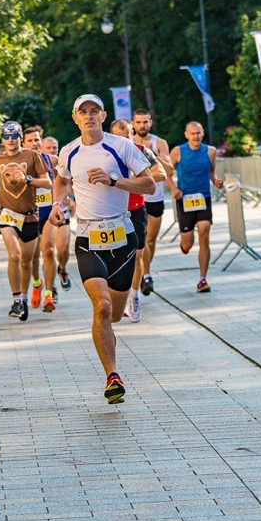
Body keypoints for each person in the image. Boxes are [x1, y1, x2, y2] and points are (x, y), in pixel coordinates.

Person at [49, 94, 155, 404]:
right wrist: (57, 203)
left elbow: (149, 185)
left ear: (103, 115)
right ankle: (113, 376)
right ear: (75, 118)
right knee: (103, 307)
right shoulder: (69, 151)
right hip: (87, 238)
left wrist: (114, 180)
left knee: (116, 314)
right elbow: (61, 181)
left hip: (122, 237)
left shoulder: (122, 146)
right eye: (83, 111)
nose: (89, 116)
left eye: (94, 110)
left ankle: (110, 348)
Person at [0, 121, 52, 321]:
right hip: (7, 213)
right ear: (2, 139)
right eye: (6, 136)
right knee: (15, 255)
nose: (10, 140)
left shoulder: (33, 156)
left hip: (29, 215)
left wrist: (28, 179)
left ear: (20, 137)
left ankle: (24, 298)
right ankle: (16, 299)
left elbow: (47, 182)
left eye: (14, 136)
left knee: (27, 262)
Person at [111, 118, 162, 322]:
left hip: (136, 209)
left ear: (132, 134)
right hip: (112, 210)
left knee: (137, 255)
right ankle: (117, 297)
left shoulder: (141, 150)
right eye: (120, 137)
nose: (125, 141)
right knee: (114, 257)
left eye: (128, 136)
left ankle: (134, 296)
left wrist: (133, 181)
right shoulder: (104, 152)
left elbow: (161, 173)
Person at [168, 121, 224, 293]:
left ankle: (202, 279)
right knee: (188, 243)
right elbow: (166, 173)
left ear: (202, 133)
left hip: (203, 198)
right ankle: (184, 245)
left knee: (204, 233)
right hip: (184, 200)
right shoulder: (178, 151)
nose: (196, 136)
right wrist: (174, 189)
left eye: (198, 133)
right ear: (186, 135)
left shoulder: (210, 151)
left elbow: (212, 171)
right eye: (192, 133)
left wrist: (215, 181)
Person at [131, 109, 173, 296]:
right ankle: (145, 275)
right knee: (140, 241)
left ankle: (143, 271)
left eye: (145, 122)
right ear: (133, 124)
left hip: (155, 198)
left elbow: (169, 171)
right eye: (139, 122)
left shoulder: (159, 143)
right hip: (136, 200)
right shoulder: (127, 144)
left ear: (151, 123)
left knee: (150, 240)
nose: (142, 126)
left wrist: (154, 154)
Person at [24, 126, 59, 312]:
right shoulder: (20, 163)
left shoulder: (52, 160)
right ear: (23, 143)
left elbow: (62, 181)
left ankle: (49, 295)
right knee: (32, 258)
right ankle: (37, 283)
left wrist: (65, 198)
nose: (34, 143)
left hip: (48, 212)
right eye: (30, 140)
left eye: (37, 139)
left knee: (49, 250)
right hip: (29, 214)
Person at [43, 136, 75, 293]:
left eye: (54, 147)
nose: (51, 150)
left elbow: (70, 184)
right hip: (44, 214)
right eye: (48, 148)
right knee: (48, 252)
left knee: (62, 249)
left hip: (63, 212)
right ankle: (50, 288)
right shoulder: (36, 164)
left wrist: (72, 198)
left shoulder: (63, 163)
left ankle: (62, 269)